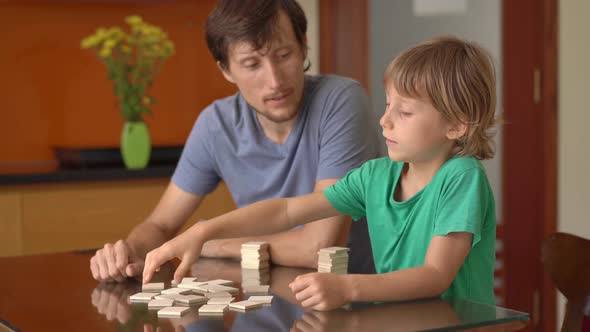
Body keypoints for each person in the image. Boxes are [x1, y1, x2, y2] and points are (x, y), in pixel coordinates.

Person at [142, 35, 499, 311]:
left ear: (456, 126)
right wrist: (205, 230)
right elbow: (286, 210)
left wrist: (348, 287)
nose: (384, 120)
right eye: (388, 105)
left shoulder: (462, 177)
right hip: (400, 321)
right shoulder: (375, 176)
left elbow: (435, 276)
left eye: (404, 113)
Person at [89, 0, 380, 282]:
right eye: (252, 64)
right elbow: (161, 225)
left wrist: (212, 243)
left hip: (356, 303)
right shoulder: (216, 124)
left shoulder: (341, 101)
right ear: (226, 70)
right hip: (262, 300)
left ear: (304, 45)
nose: (275, 80)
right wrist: (128, 253)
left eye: (283, 55)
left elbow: (319, 247)